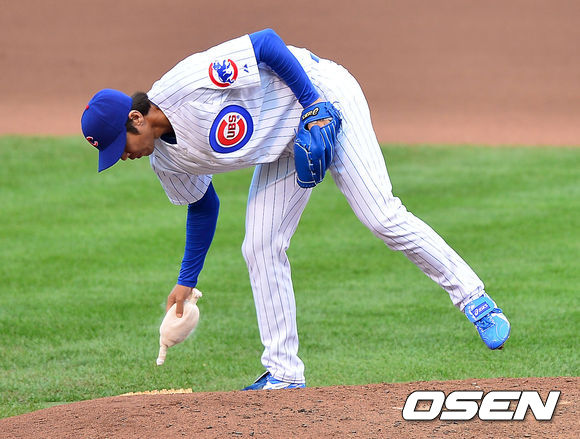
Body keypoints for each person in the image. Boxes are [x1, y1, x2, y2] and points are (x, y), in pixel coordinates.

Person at [81, 28, 510, 390]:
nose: (124, 157)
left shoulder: (187, 84)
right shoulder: (165, 161)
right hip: (282, 147)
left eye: (121, 146)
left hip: (324, 97)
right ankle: (284, 374)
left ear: (136, 118)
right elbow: (203, 206)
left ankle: (474, 299)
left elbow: (266, 44)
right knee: (260, 245)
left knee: (381, 215)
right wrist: (186, 280)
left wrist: (313, 103)